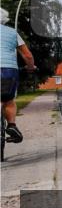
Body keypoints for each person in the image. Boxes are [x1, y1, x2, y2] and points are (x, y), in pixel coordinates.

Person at [1, 8, 37, 144]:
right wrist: (30, 67)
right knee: (8, 100)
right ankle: (11, 126)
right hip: (8, 71)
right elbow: (27, 56)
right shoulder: (12, 33)